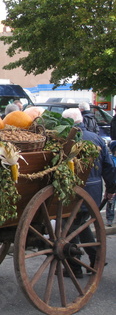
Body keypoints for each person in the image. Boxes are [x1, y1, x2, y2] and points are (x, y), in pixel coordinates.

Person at [61, 108, 116, 277]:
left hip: (72, 192)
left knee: (69, 227)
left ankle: (74, 267)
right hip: (93, 190)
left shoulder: (64, 140)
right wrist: (111, 189)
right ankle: (95, 257)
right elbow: (108, 167)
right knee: (81, 224)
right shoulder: (97, 138)